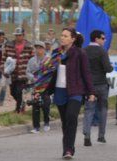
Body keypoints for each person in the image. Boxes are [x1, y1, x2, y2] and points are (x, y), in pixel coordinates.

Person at [32, 28, 95, 159]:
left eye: (66, 36)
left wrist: (91, 92)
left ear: (73, 39)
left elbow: (86, 73)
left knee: (72, 117)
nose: (62, 37)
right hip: (60, 91)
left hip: (75, 91)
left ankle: (69, 150)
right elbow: (48, 74)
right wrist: (40, 90)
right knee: (65, 121)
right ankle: (66, 147)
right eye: (62, 35)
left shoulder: (80, 53)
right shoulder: (56, 54)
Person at [83, 29, 113, 145]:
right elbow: (107, 68)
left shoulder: (84, 51)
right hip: (101, 84)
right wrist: (111, 67)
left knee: (89, 109)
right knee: (103, 110)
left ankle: (87, 134)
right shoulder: (102, 51)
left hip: (89, 86)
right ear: (96, 39)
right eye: (103, 38)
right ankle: (101, 135)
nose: (104, 40)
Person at [2, 27, 34, 113]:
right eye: (16, 35)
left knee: (19, 91)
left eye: (19, 35)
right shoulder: (9, 45)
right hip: (12, 74)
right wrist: (3, 69)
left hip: (24, 74)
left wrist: (31, 72)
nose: (18, 37)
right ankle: (21, 104)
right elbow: (4, 58)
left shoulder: (29, 46)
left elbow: (32, 60)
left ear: (23, 35)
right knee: (13, 92)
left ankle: (18, 109)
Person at [26, 41, 51, 132]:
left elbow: (51, 72)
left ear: (44, 49)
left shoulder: (48, 60)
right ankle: (36, 126)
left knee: (45, 105)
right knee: (35, 105)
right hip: (35, 86)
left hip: (46, 86)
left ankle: (46, 122)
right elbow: (28, 72)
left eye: (40, 48)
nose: (38, 50)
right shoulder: (32, 60)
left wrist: (44, 79)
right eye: (37, 48)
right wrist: (33, 78)